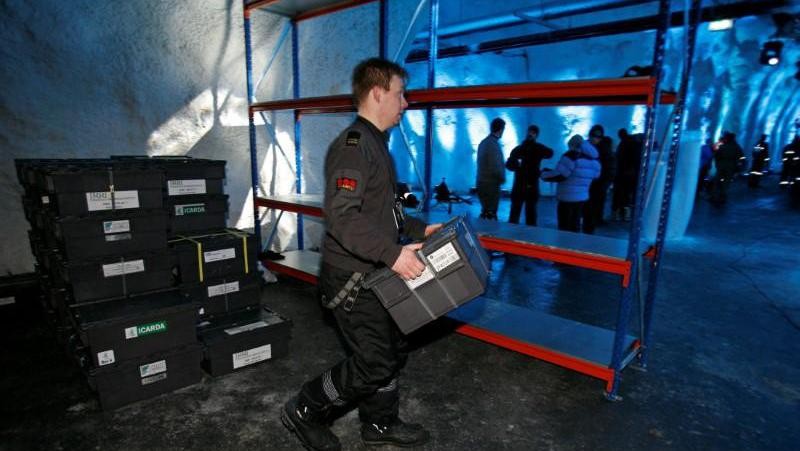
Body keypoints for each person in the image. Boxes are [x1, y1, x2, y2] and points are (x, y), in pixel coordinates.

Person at [281, 57, 439, 451]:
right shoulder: (354, 146)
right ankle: (305, 409)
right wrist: (393, 254)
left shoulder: (377, 146)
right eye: (401, 94)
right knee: (374, 363)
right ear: (377, 93)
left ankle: (379, 424)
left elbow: (384, 211)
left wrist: (421, 230)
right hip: (353, 278)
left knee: (392, 350)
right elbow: (342, 216)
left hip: (376, 270)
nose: (406, 103)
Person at [541, 135, 601, 233]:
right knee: (575, 225)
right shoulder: (594, 160)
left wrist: (543, 174)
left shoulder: (571, 156)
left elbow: (560, 175)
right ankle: (574, 246)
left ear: (572, 144)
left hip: (567, 197)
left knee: (565, 227)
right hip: (582, 197)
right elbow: (595, 176)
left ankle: (563, 246)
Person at [505, 124, 553, 225]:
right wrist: (515, 164)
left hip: (528, 186)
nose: (531, 134)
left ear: (536, 135)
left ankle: (529, 235)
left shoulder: (535, 148)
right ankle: (513, 234)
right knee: (517, 213)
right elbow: (509, 165)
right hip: (522, 186)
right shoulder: (519, 149)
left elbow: (550, 153)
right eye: (530, 132)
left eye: (533, 132)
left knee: (528, 213)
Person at [584, 125, 615, 233]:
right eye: (593, 136)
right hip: (590, 181)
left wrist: (606, 181)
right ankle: (592, 221)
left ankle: (594, 221)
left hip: (600, 181)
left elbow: (610, 166)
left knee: (596, 202)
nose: (594, 138)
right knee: (591, 203)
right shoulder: (587, 147)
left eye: (597, 137)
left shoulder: (604, 149)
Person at [476, 117, 506, 220]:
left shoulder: (483, 142)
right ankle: (488, 235)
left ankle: (481, 233)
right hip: (491, 185)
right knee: (491, 214)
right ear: (501, 130)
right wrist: (502, 178)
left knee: (485, 211)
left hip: (481, 182)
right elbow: (495, 166)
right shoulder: (493, 145)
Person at [611, 129, 642, 220]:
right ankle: (627, 215)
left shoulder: (624, 143)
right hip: (633, 174)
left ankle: (618, 214)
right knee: (628, 195)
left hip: (623, 173)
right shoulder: (635, 143)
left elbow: (620, 159)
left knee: (620, 194)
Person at [710, 131, 744, 204]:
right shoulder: (737, 147)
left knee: (717, 180)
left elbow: (716, 155)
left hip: (721, 166)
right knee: (726, 181)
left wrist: (717, 164)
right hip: (731, 167)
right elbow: (741, 156)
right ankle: (723, 194)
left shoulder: (723, 146)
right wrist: (738, 166)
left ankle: (714, 195)